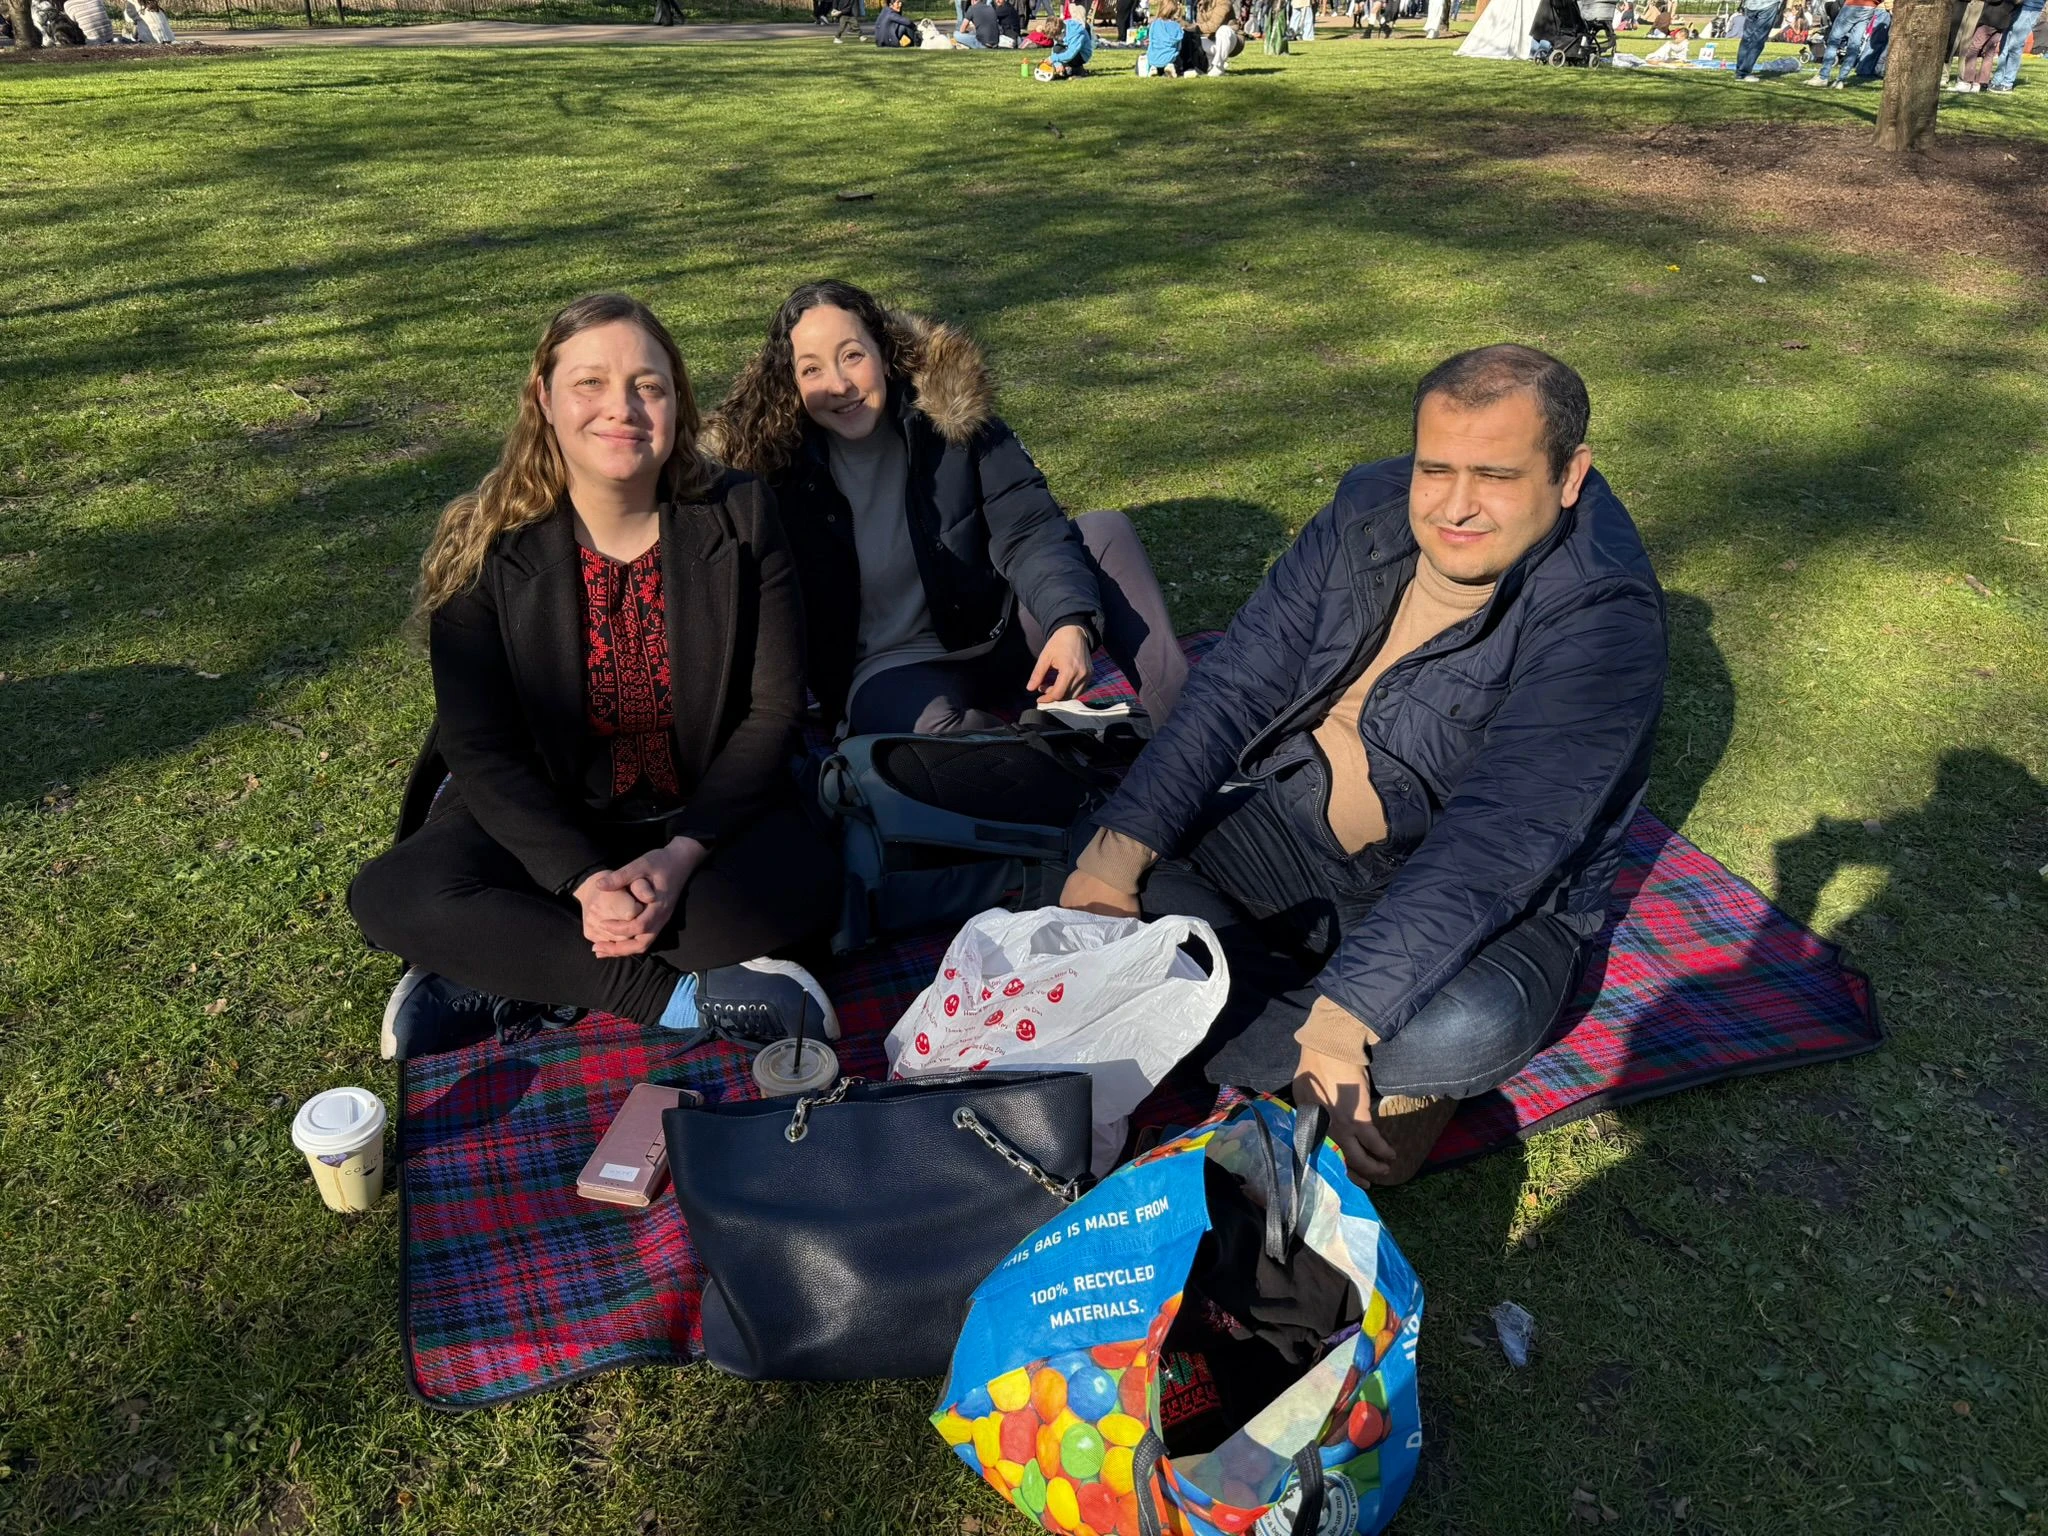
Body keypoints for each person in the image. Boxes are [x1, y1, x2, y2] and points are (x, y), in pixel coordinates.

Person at [1059, 345, 1666, 1189]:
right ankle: (1329, 1073)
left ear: (1569, 475)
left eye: (1494, 475)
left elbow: (1496, 845)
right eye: (1435, 469)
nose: (1455, 506)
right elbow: (1237, 682)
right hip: (1293, 831)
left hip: (1483, 899)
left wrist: (1346, 1018)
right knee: (1104, 850)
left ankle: (1261, 1027)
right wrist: (1115, 861)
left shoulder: (1603, 615)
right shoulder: (1365, 509)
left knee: (1469, 1025)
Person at [349, 295, 841, 1060]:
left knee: (796, 885)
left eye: (648, 385)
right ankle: (678, 998)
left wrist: (680, 857)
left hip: (702, 821)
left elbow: (773, 710)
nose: (622, 408)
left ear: (677, 403)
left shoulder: (740, 514)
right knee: (391, 896)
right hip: (547, 827)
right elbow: (480, 749)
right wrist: (582, 881)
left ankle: (512, 964)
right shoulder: (481, 544)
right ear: (543, 399)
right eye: (590, 384)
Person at [709, 281, 1188, 741]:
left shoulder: (953, 417)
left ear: (883, 351)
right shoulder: (770, 472)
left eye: (852, 356)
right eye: (812, 369)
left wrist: (1069, 624)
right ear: (790, 382)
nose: (839, 384)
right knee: (934, 743)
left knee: (1106, 532)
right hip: (890, 671)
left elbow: (1029, 531)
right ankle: (1060, 741)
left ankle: (1194, 739)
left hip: (1001, 634)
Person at [1809, 0, 1875, 82]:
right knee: (1854, 44)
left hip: (1853, 5)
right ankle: (1841, 79)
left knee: (1834, 40)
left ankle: (1823, 76)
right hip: (1870, 7)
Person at [1954, 0, 2015, 85]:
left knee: (1973, 49)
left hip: (1991, 19)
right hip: (2003, 21)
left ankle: (1967, 81)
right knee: (1989, 53)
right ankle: (1981, 82)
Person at [1989, 0, 2044, 87]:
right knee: (2005, 44)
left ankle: (2007, 82)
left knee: (2015, 45)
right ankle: (1997, 79)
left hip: (2030, 8)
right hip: (2014, 5)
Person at [1038, 3, 1099, 71]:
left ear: (1062, 31)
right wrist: (1057, 64)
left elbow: (1070, 54)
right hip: (1068, 48)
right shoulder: (1058, 31)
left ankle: (1078, 70)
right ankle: (1067, 68)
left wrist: (1053, 59)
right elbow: (1055, 49)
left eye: (1056, 37)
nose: (1055, 39)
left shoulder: (1075, 32)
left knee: (1070, 64)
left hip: (1081, 54)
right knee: (1056, 48)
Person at [1733, 0, 1784, 76]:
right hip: (1768, 4)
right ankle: (1744, 72)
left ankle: (1740, 70)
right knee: (1758, 39)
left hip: (1751, 5)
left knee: (1747, 37)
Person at [1197, 0, 1243, 68]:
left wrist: (1193, 27)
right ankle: (1208, 63)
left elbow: (1213, 26)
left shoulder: (1223, 2)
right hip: (1213, 39)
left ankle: (1218, 66)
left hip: (1233, 41)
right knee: (1190, 38)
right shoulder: (1201, 4)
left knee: (1223, 30)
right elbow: (1201, 27)